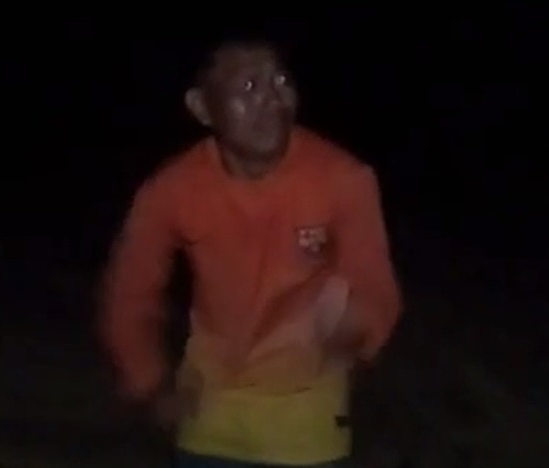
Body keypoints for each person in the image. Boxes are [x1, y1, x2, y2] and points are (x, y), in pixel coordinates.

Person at [101, 38, 402, 467]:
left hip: (307, 426)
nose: (273, 100)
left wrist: (356, 329)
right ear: (202, 107)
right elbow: (130, 293)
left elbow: (375, 288)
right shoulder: (173, 189)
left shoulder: (344, 178)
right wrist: (150, 384)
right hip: (209, 422)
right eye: (248, 87)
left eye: (281, 81)